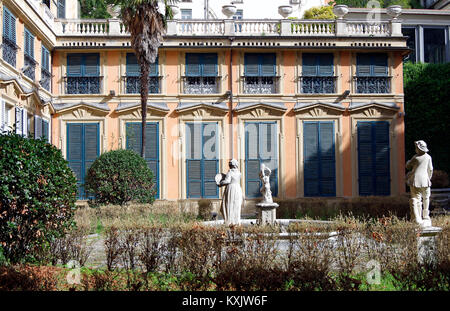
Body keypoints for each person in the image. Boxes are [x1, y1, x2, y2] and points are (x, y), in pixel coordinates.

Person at [406, 140, 433, 227]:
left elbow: (408, 166)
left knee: (416, 199)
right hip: (425, 180)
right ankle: (426, 215)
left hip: (415, 180)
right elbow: (430, 169)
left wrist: (407, 162)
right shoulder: (428, 157)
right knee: (426, 198)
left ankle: (418, 217)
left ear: (419, 148)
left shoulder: (415, 157)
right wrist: (428, 178)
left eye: (416, 148)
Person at [218, 159, 244, 225]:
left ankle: (229, 221)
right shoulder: (239, 173)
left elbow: (227, 181)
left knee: (229, 204)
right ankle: (236, 221)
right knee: (236, 205)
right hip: (238, 189)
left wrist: (220, 183)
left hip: (231, 189)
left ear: (231, 165)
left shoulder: (230, 173)